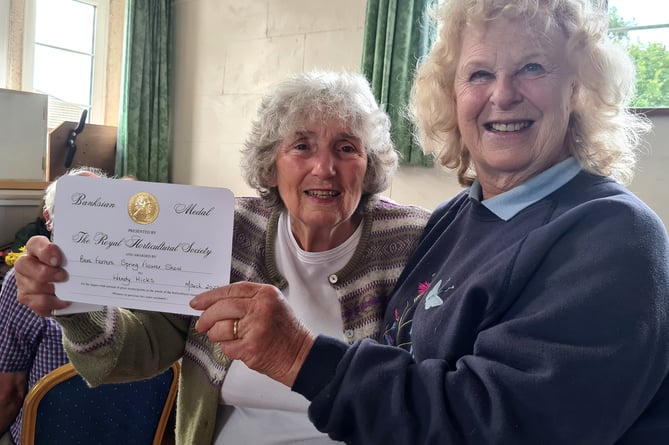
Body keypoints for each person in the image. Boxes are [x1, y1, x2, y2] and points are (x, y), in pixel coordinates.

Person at [185, 0, 666, 443]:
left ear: (577, 90)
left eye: (533, 67)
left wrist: (299, 357)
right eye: (479, 74)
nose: (502, 94)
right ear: (452, 97)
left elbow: (493, 426)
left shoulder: (613, 237)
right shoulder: (459, 217)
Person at [14, 71, 431, 444]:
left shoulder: (413, 240)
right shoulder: (227, 230)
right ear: (271, 166)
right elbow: (138, 350)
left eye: (346, 148)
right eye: (302, 146)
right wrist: (74, 301)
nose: (324, 167)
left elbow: (428, 394)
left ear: (369, 166)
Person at [0, 167, 108, 445]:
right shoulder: (146, 277)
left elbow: (8, 393)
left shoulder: (24, 282)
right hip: (138, 431)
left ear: (48, 218)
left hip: (48, 434)